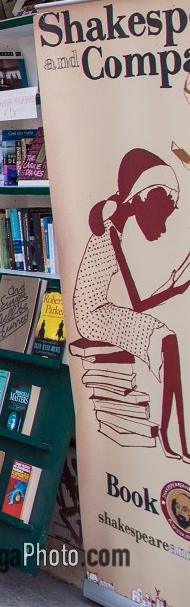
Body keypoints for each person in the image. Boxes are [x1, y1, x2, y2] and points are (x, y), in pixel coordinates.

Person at [74, 148, 189, 461]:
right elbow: (137, 302)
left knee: (169, 341)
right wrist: (178, 286)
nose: (162, 226)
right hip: (93, 314)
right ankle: (172, 437)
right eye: (161, 214)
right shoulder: (113, 227)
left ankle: (175, 434)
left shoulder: (122, 222)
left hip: (106, 307)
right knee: (165, 339)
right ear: (143, 197)